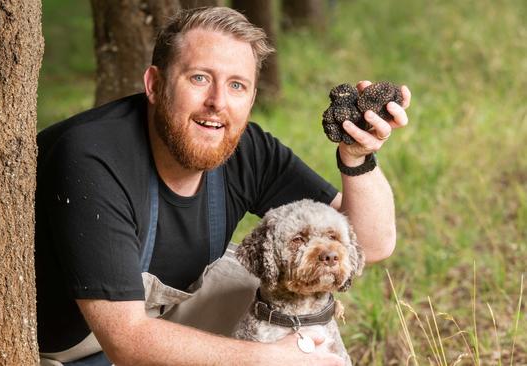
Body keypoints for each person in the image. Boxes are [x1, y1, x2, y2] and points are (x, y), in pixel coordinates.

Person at [35, 6, 411, 366]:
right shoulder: (92, 158)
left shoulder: (244, 149)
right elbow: (126, 340)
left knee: (270, 274)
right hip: (70, 352)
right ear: (154, 84)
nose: (217, 102)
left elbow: (372, 243)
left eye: (236, 85)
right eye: (199, 78)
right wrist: (268, 359)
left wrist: (357, 157)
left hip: (156, 322)